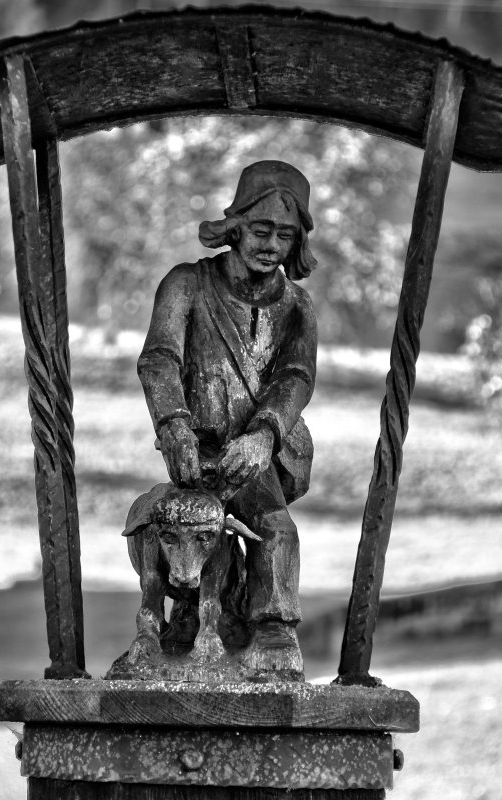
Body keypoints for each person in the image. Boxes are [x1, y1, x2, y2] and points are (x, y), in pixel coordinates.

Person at [137, 160, 318, 675]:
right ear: (235, 226)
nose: (271, 245)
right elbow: (159, 359)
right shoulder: (186, 285)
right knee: (172, 529)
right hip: (196, 452)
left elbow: (296, 378)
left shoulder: (297, 307)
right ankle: (174, 621)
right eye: (261, 230)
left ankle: (274, 632)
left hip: (254, 457)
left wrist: (264, 436)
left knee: (276, 529)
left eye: (285, 235)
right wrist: (173, 426)